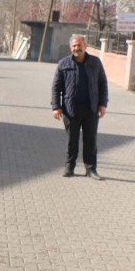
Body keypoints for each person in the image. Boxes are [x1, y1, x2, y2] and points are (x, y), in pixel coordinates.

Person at [51, 35, 109, 179]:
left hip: (91, 109)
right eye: (74, 46)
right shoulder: (63, 64)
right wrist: (56, 107)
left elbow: (103, 84)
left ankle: (91, 169)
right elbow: (56, 88)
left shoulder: (95, 63)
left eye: (79, 45)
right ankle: (69, 167)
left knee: (90, 140)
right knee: (72, 140)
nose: (77, 48)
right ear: (71, 47)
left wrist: (102, 104)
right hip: (71, 109)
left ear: (85, 46)